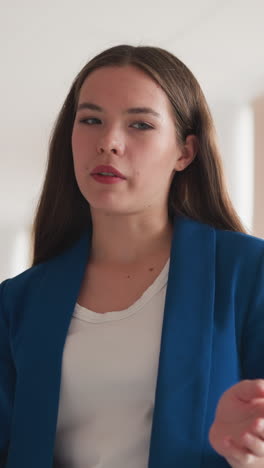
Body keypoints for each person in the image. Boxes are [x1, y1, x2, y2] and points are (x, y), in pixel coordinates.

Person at [0, 44, 264, 468]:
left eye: (140, 124)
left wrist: (251, 454)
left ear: (185, 152)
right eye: (91, 120)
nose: (109, 143)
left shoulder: (247, 273)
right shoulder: (17, 303)